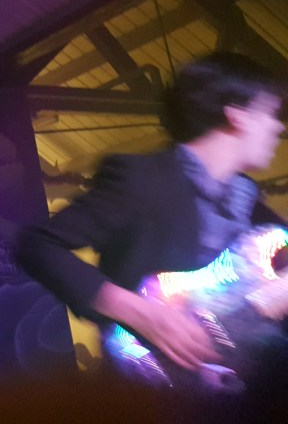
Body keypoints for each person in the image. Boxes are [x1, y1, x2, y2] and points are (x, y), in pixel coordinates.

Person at [16, 51, 286, 400]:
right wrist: (140, 313)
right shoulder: (142, 179)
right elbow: (37, 244)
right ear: (237, 115)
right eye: (270, 113)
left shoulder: (248, 201)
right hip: (155, 394)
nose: (279, 127)